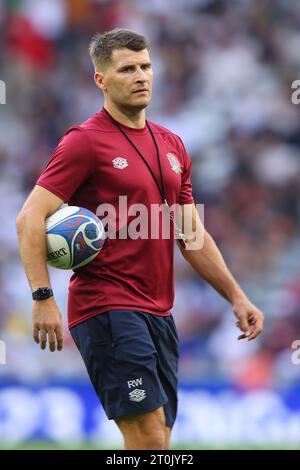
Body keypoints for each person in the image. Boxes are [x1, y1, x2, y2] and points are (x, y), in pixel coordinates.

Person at [16, 28, 264, 450]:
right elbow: (30, 218)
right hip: (107, 307)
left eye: (145, 66)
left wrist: (236, 297)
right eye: (127, 69)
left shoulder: (173, 146)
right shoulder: (84, 143)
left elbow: (191, 234)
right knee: (148, 440)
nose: (141, 76)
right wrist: (42, 297)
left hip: (160, 313)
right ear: (101, 80)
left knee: (159, 443)